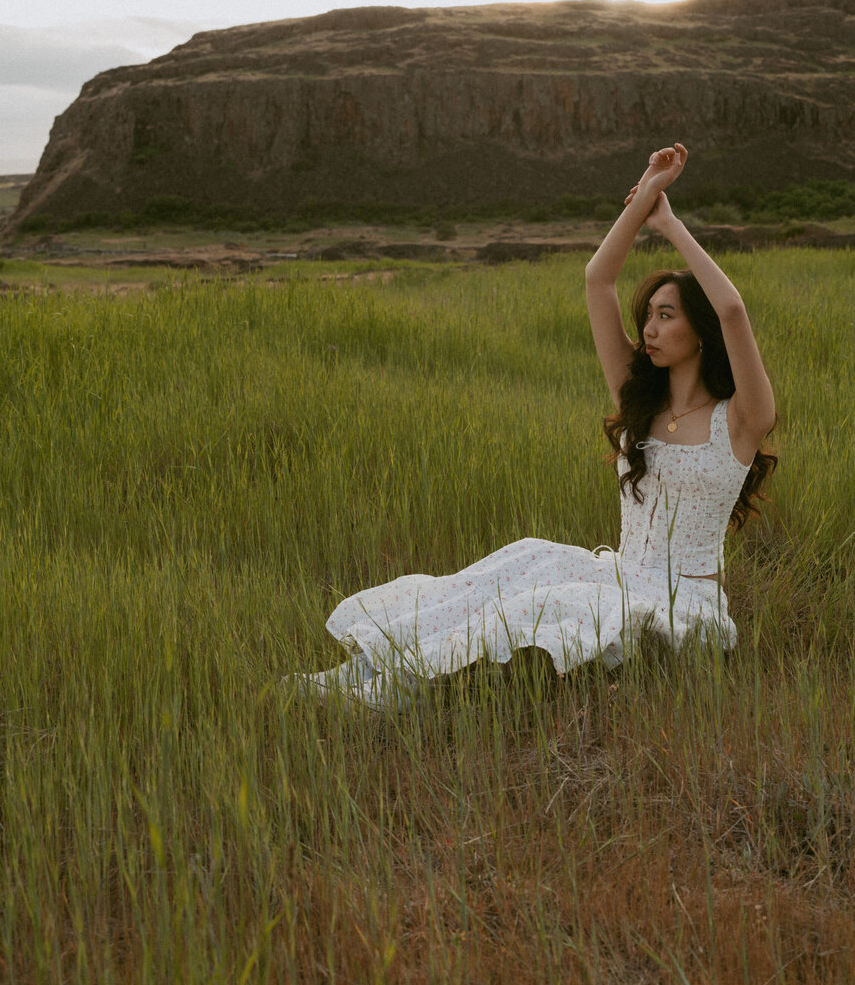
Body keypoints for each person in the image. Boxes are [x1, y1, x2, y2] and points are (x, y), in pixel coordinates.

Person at [295, 143, 777, 710]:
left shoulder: (741, 421)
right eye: (646, 315)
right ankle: (370, 668)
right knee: (524, 561)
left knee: (544, 605)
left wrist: (669, 225)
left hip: (684, 610)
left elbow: (734, 311)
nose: (648, 327)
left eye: (665, 315)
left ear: (698, 331)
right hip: (622, 578)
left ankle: (396, 694)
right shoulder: (640, 400)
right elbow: (599, 281)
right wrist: (644, 193)